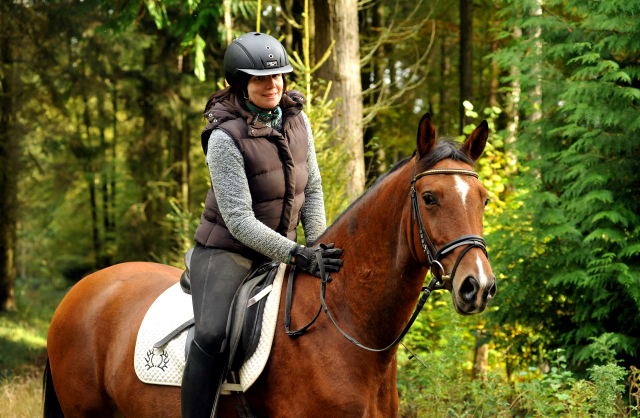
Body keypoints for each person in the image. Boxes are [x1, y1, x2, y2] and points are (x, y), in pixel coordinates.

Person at [181, 32, 344, 418]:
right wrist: (296, 254)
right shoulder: (223, 136)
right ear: (239, 84)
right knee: (212, 333)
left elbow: (313, 186)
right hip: (228, 251)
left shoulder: (298, 119)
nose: (272, 86)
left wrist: (316, 244)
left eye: (278, 77)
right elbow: (238, 221)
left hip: (288, 250)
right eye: (259, 79)